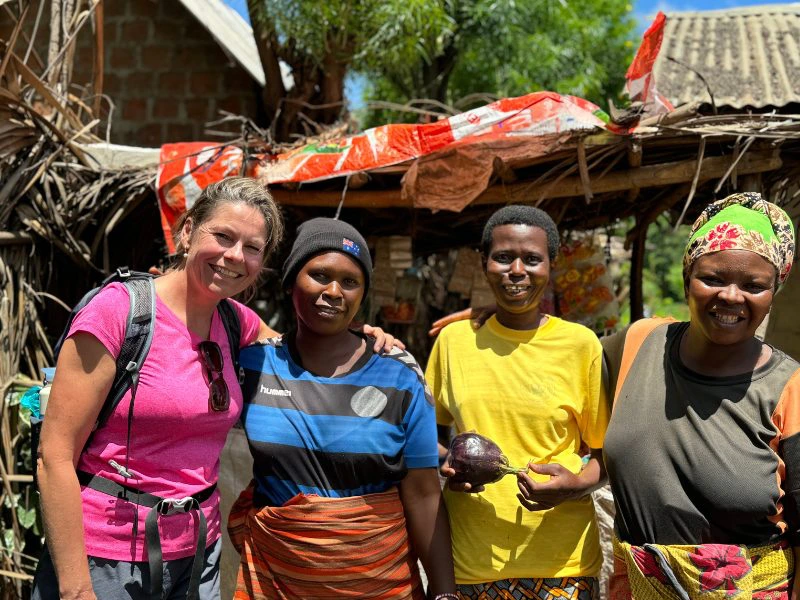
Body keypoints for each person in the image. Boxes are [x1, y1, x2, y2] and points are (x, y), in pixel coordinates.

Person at [33, 177, 398, 600]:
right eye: (222, 236)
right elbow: (54, 456)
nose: (234, 257)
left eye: (252, 248)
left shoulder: (235, 322)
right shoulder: (119, 312)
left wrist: (358, 338)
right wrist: (77, 590)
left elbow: (306, 361)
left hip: (197, 555)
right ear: (188, 231)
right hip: (106, 558)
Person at [229, 217, 457, 599]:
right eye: (319, 275)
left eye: (350, 282)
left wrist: (445, 592)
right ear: (289, 283)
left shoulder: (399, 376)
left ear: (362, 295)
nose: (334, 291)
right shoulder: (250, 367)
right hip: (277, 581)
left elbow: (423, 494)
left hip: (380, 582)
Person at [601, 192, 799, 599]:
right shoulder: (640, 343)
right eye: (712, 278)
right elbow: (566, 358)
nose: (730, 295)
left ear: (774, 291)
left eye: (753, 285)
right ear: (686, 275)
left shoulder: (790, 388)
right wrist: (498, 315)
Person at [425, 205, 609, 599]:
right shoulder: (453, 343)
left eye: (532, 259)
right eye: (504, 257)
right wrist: (450, 464)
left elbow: (606, 457)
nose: (517, 270)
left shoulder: (581, 346)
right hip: (472, 561)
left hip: (564, 567)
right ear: (484, 262)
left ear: (551, 265)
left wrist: (574, 486)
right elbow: (428, 437)